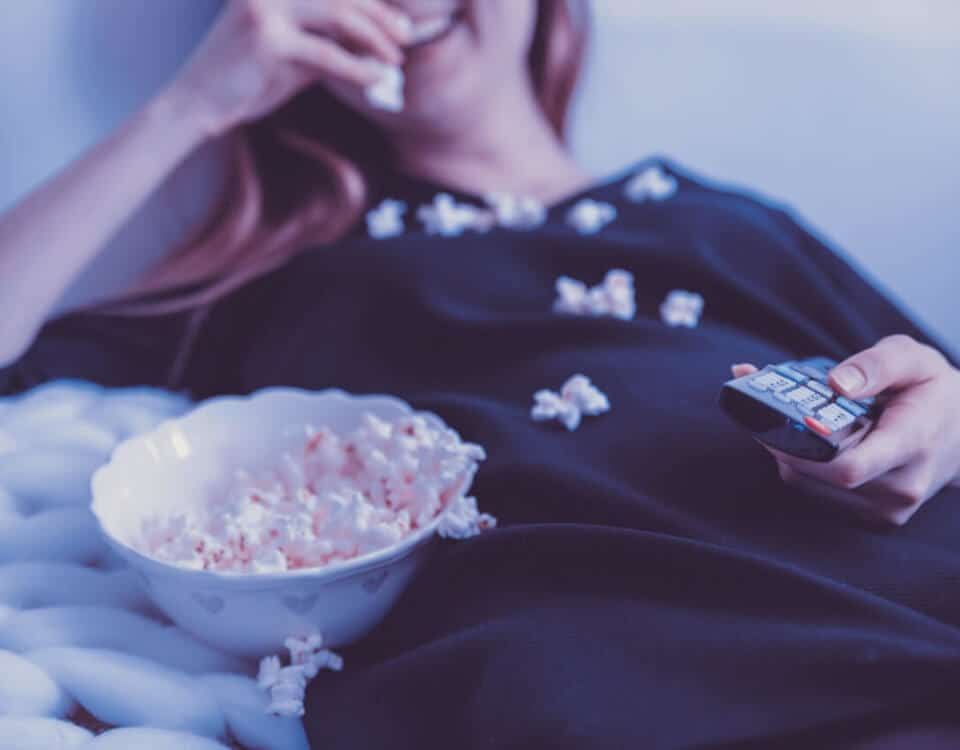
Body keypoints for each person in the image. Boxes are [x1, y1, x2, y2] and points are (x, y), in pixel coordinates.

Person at [2, 1, 960, 746]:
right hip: (602, 652)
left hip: (880, 582)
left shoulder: (728, 222)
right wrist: (190, 104)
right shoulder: (293, 274)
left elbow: (935, 395)